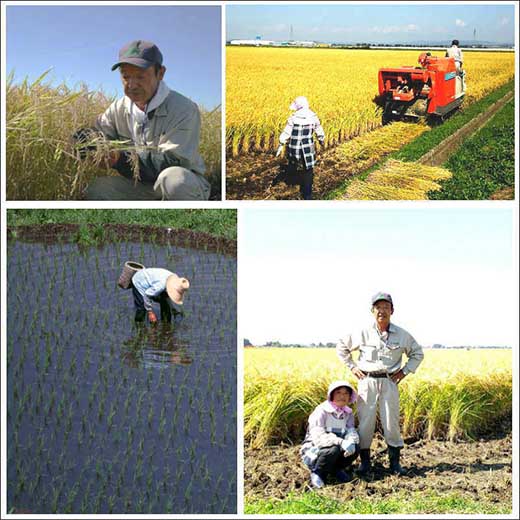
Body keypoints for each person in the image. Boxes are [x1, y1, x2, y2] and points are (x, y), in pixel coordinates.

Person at [74, 40, 210, 201]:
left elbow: (172, 161)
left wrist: (120, 158)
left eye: (140, 76)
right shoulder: (118, 108)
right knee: (97, 189)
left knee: (174, 181)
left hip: (180, 185)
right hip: (140, 185)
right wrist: (84, 140)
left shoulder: (183, 109)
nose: (131, 85)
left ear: (160, 73)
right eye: (126, 76)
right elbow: (99, 133)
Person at [336, 292, 424, 476]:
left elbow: (417, 354)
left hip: (389, 381)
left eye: (386, 307)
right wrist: (352, 367)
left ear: (392, 310)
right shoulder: (362, 333)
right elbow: (341, 347)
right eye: (378, 307)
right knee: (365, 423)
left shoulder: (402, 335)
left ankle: (395, 464)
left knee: (391, 422)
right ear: (372, 311)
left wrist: (404, 371)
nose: (381, 311)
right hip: (366, 381)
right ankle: (365, 463)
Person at [300, 381, 360, 488]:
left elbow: (350, 430)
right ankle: (318, 472)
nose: (342, 396)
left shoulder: (348, 413)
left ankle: (336, 469)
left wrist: (350, 441)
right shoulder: (322, 411)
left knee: (355, 447)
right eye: (338, 392)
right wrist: (341, 442)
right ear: (331, 395)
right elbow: (318, 437)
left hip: (336, 446)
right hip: (317, 448)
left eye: (346, 393)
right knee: (332, 450)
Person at [276, 96, 325, 200]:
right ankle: (307, 194)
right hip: (308, 147)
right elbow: (318, 129)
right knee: (308, 169)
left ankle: (291, 183)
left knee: (293, 163)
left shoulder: (293, 117)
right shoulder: (313, 117)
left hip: (295, 147)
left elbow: (287, 131)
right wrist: (321, 139)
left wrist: (281, 144)